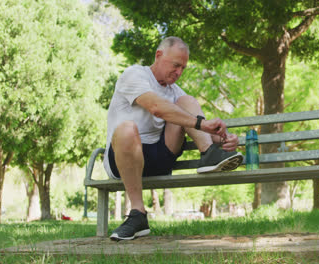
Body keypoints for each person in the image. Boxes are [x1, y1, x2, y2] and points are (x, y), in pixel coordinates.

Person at [103, 36, 243, 241]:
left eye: (183, 68)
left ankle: (209, 154)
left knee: (186, 101)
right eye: (176, 65)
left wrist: (225, 139)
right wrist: (201, 123)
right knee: (126, 129)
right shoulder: (133, 75)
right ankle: (137, 214)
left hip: (159, 157)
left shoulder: (174, 91)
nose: (179, 72)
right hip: (124, 161)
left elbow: (196, 122)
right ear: (159, 56)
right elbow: (157, 108)